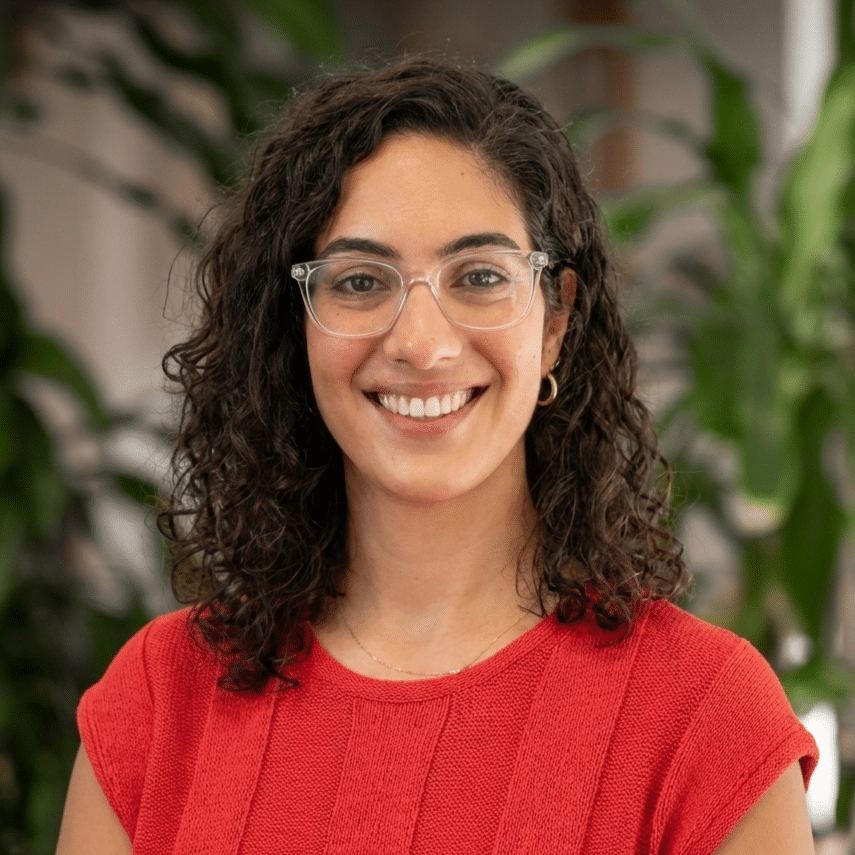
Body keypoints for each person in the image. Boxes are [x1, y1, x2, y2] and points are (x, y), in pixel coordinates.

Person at [56, 56, 818, 855]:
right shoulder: (157, 702)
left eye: (480, 275)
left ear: (553, 319)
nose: (421, 343)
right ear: (296, 326)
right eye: (358, 281)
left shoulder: (707, 718)